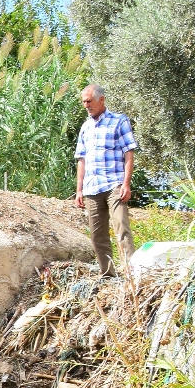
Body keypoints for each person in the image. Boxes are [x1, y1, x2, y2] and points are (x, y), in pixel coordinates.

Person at [73, 84, 137, 276]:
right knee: (97, 235)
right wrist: (79, 190)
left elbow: (129, 153)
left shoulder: (119, 121)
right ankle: (108, 274)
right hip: (92, 188)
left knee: (121, 227)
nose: (86, 105)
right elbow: (81, 160)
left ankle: (132, 274)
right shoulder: (85, 127)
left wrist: (126, 183)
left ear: (101, 100)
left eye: (89, 101)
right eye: (84, 102)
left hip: (114, 184)